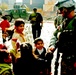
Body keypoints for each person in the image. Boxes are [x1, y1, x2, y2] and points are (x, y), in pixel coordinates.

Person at [48, 0, 76, 75]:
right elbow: (55, 34)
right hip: (65, 58)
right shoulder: (64, 22)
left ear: (66, 9)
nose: (60, 12)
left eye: (61, 9)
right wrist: (52, 45)